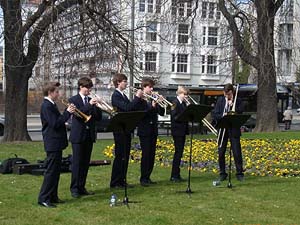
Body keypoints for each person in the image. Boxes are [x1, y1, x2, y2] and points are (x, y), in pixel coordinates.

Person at [38, 82, 75, 208]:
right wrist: (67, 113)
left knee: (56, 171)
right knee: (51, 171)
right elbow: (55, 123)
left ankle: (53, 196)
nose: (58, 94)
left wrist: (65, 113)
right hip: (52, 142)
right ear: (50, 93)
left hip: (56, 142)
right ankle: (43, 197)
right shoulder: (46, 105)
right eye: (56, 92)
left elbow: (57, 121)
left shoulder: (51, 105)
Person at [69, 77, 102, 198]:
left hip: (89, 135)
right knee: (77, 163)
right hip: (78, 136)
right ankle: (74, 188)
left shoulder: (90, 100)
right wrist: (89, 104)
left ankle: (82, 187)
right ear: (81, 87)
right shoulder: (73, 100)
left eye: (90, 87)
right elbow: (78, 114)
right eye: (87, 87)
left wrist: (98, 105)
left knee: (85, 163)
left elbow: (98, 118)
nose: (89, 90)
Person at [110, 73, 143, 188]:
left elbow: (132, 108)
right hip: (119, 129)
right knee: (120, 156)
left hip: (126, 129)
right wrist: (137, 97)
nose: (126, 83)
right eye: (124, 81)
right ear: (118, 82)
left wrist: (140, 100)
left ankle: (122, 180)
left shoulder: (123, 95)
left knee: (125, 155)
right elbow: (127, 108)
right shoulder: (116, 96)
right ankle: (115, 181)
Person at [135, 78, 165, 186]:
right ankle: (143, 178)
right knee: (146, 154)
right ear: (144, 87)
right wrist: (152, 107)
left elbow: (161, 113)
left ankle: (148, 176)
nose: (152, 89)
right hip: (144, 131)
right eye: (150, 87)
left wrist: (160, 102)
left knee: (152, 154)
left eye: (152, 87)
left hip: (153, 130)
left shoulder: (153, 99)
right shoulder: (140, 100)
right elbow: (142, 114)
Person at [212, 83, 244, 181]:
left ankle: (239, 173)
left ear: (232, 92)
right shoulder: (221, 101)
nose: (227, 96)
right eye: (225, 94)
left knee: (237, 152)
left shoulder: (237, 100)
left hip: (233, 129)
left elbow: (241, 111)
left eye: (229, 94)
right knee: (221, 152)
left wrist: (233, 106)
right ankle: (222, 173)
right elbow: (215, 114)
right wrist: (223, 115)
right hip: (222, 129)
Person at [170, 86, 189, 182]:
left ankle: (177, 173)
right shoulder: (175, 103)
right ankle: (174, 175)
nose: (186, 96)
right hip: (177, 131)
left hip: (182, 131)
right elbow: (174, 116)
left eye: (187, 95)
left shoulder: (183, 104)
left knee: (180, 153)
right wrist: (184, 116)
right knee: (178, 153)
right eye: (184, 94)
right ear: (180, 94)